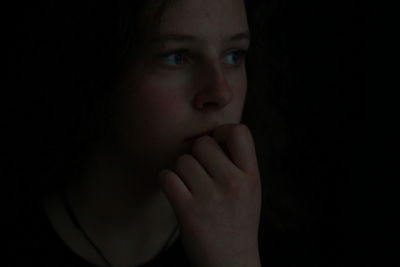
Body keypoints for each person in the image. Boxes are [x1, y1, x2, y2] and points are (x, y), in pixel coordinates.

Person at [7, 0, 293, 266]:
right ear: (100, 70)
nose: (221, 93)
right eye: (176, 57)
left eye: (234, 55)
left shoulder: (280, 237)